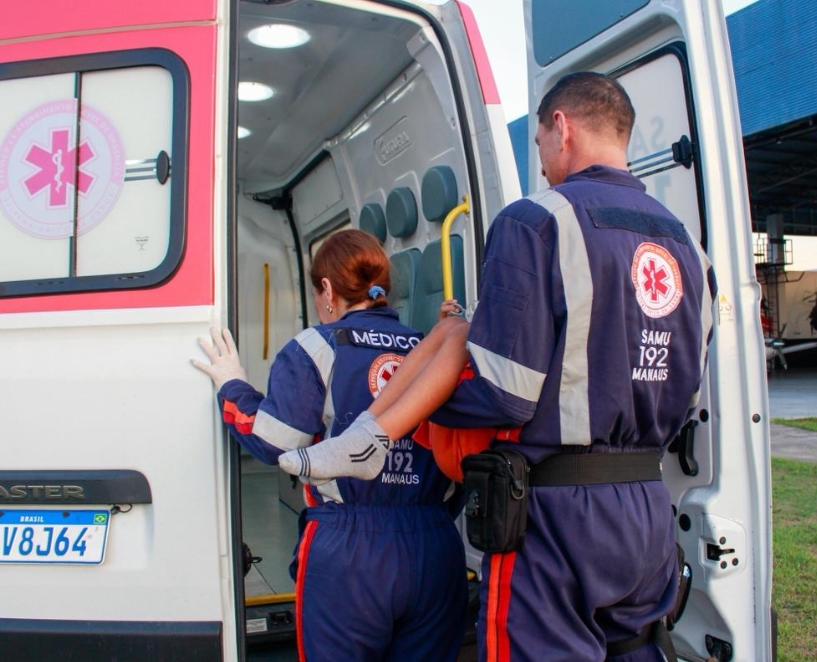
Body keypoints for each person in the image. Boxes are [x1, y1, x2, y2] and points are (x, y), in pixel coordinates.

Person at [282, 72, 714, 661]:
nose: (541, 162)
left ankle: (373, 435)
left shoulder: (536, 220)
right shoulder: (687, 244)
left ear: (560, 127)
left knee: (455, 330)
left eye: (538, 144)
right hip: (646, 508)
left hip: (558, 518)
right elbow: (687, 385)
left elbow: (506, 394)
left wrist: (432, 392)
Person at [192, 229, 467, 662]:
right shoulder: (434, 348)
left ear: (326, 289)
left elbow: (273, 443)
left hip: (349, 553)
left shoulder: (315, 346)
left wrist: (232, 384)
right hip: (435, 544)